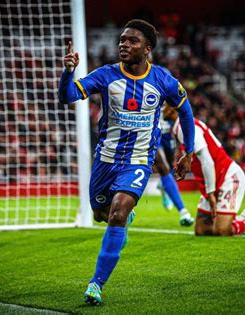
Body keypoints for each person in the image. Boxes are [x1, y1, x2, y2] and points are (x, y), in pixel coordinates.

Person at [58, 19, 195, 305]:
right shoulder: (106, 75)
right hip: (105, 160)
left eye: (132, 41)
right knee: (101, 214)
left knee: (118, 213)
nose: (124, 44)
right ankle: (119, 218)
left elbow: (186, 110)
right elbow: (67, 96)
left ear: (147, 49)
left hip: (138, 161)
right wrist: (68, 72)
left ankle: (96, 284)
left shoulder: (162, 79)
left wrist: (189, 150)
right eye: (122, 39)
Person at [163, 104, 245, 236]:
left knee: (222, 230)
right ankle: (233, 218)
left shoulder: (185, 126)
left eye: (162, 106)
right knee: (202, 230)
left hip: (227, 176)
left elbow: (206, 160)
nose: (159, 110)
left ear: (171, 109)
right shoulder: (180, 126)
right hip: (212, 180)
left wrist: (210, 193)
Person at [154, 109, 194, 226]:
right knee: (163, 167)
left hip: (168, 133)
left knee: (170, 167)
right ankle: (183, 211)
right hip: (152, 132)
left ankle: (164, 186)